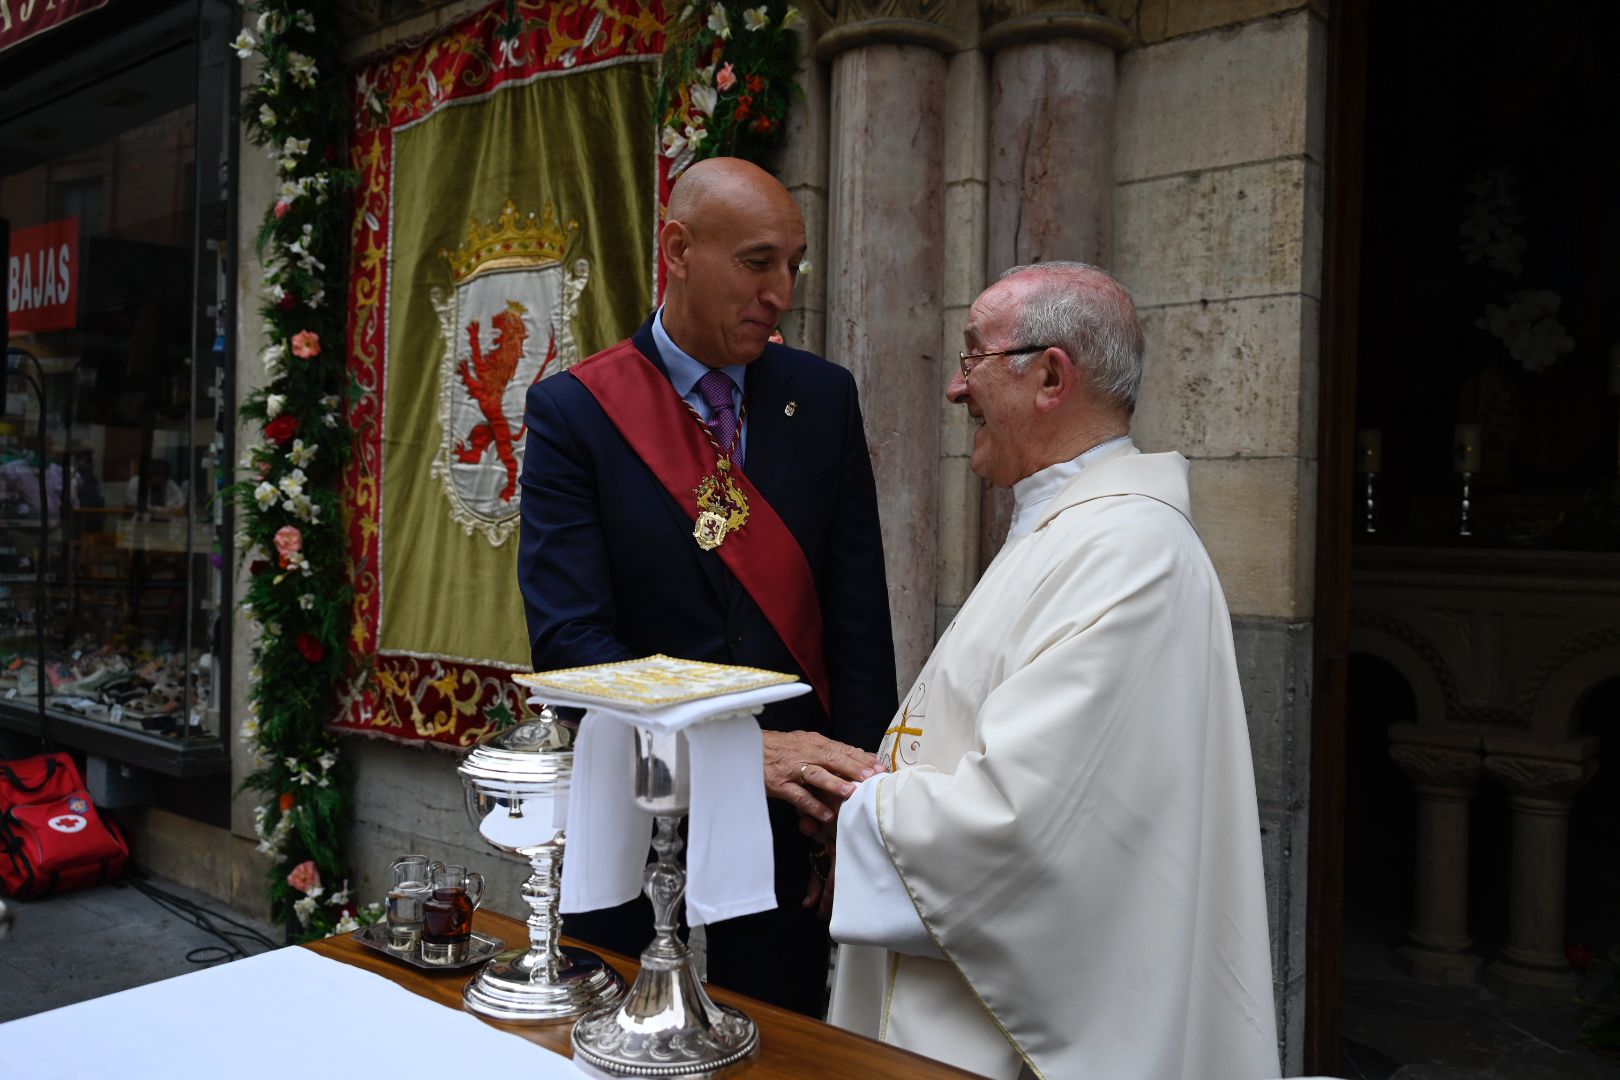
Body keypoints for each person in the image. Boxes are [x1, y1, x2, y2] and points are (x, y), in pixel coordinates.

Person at [824, 262, 1280, 1079]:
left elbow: (1029, 828)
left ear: (1051, 376)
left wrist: (850, 811)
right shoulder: (1066, 529)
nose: (956, 390)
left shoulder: (1129, 553)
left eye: (973, 358)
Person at [517, 157, 897, 1015]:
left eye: (794, 265)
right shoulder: (576, 413)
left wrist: (853, 811)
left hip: (792, 810)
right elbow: (571, 641)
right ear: (679, 249)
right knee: (618, 1032)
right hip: (634, 793)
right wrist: (731, 755)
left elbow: (858, 621)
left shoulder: (824, 399)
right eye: (758, 263)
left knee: (782, 1032)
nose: (783, 292)